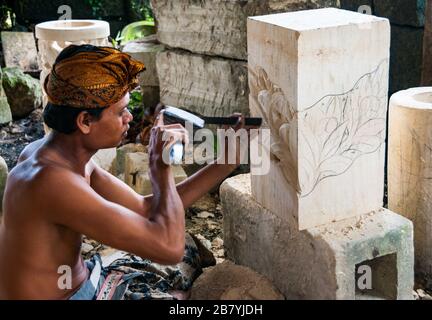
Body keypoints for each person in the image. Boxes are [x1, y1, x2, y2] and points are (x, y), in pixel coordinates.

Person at [0, 44, 250, 300]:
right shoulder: (51, 183)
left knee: (186, 246)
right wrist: (160, 170)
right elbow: (168, 248)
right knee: (176, 256)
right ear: (85, 121)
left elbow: (145, 208)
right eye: (121, 112)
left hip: (84, 280)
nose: (129, 117)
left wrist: (225, 163)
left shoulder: (61, 156)